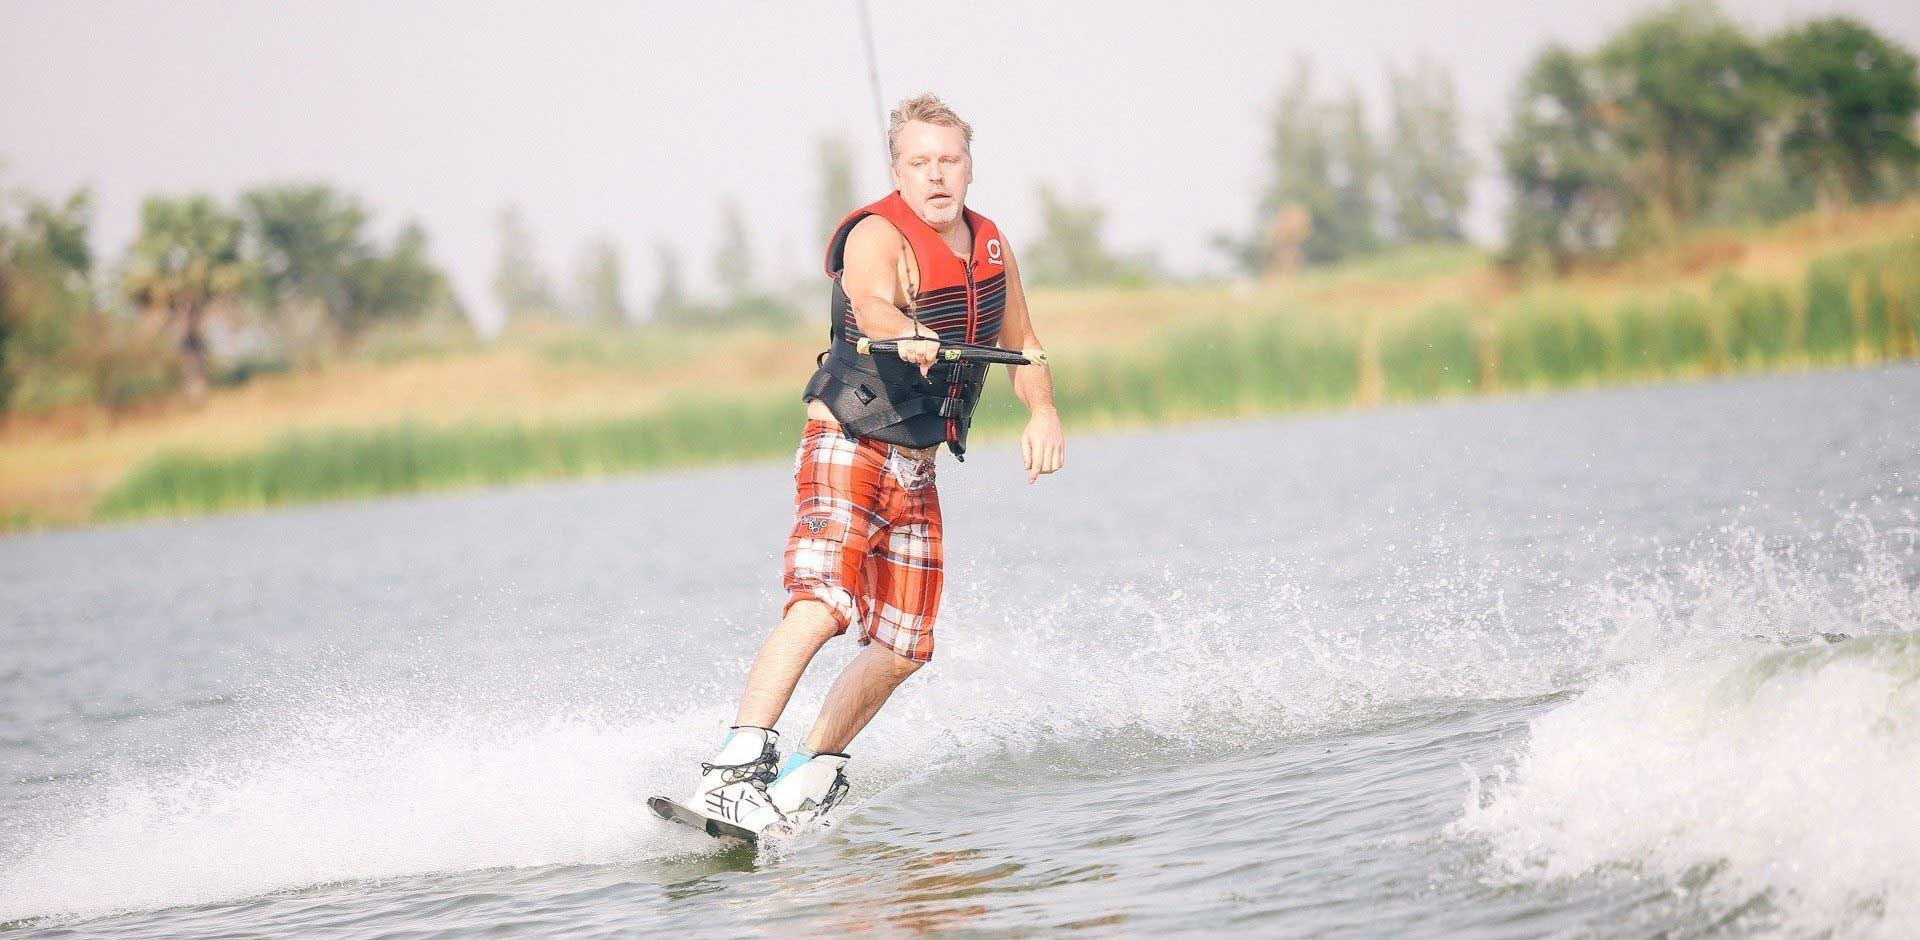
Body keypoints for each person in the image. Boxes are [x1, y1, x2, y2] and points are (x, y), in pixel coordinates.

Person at [684, 93, 1065, 835]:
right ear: (898, 169)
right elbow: (870, 301)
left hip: (917, 468)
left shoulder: (990, 244)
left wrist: (1043, 409)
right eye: (919, 163)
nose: (935, 176)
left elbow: (1026, 347)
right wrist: (903, 328)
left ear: (969, 167)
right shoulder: (876, 235)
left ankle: (807, 771)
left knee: (904, 648)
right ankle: (733, 767)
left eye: (949, 160)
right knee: (823, 604)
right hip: (848, 445)